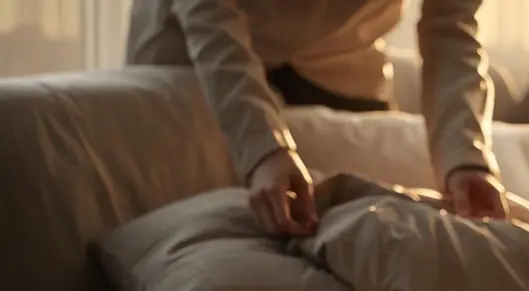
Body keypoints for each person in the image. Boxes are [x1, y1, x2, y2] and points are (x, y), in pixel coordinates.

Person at [126, 0, 509, 236]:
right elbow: (208, 12)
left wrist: (466, 159)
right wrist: (262, 147)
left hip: (342, 63)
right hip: (196, 53)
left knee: (368, 236)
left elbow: (451, 30)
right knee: (190, 226)